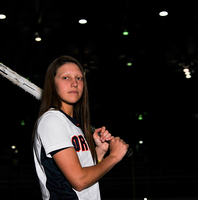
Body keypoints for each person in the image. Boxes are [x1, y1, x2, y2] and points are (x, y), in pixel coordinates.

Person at [32, 55, 129, 200]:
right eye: (66, 78)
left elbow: (84, 171)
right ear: (53, 83)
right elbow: (79, 181)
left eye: (79, 78)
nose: (74, 83)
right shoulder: (52, 120)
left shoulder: (72, 124)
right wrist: (114, 157)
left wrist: (100, 153)